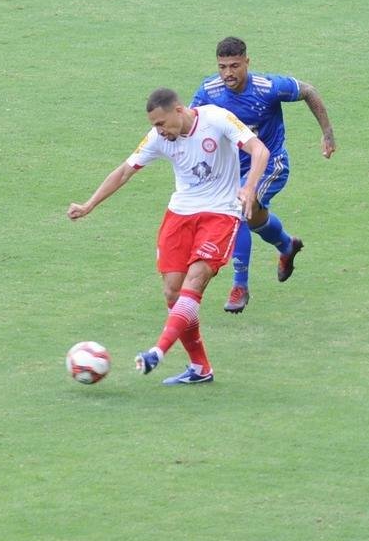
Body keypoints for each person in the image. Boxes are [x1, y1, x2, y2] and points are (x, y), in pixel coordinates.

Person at [68, 88, 269, 385]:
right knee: (173, 293)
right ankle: (200, 369)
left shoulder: (216, 118)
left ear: (179, 110)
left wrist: (249, 187)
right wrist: (89, 205)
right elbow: (124, 171)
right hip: (179, 216)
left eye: (161, 123)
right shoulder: (159, 138)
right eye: (154, 125)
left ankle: (157, 352)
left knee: (195, 281)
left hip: (220, 214)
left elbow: (259, 150)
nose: (158, 130)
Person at [190, 37, 336, 314]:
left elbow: (309, 91)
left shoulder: (267, 88)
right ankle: (286, 244)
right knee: (255, 220)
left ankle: (240, 286)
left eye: (234, 65)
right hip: (233, 172)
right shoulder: (210, 90)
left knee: (241, 210)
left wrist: (327, 133)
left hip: (271, 165)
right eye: (222, 67)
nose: (228, 73)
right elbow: (193, 119)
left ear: (247, 62)